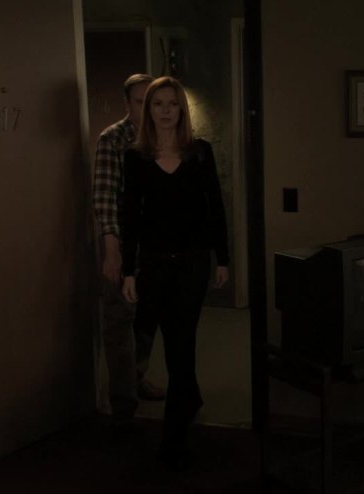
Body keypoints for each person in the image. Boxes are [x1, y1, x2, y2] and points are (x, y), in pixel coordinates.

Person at [120, 76, 229, 469]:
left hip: (192, 262)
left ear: (182, 109)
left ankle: (174, 440)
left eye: (172, 103)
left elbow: (215, 207)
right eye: (157, 104)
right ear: (147, 110)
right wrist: (128, 271)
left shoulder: (200, 153)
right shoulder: (136, 158)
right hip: (153, 263)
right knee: (170, 341)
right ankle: (191, 398)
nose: (165, 111)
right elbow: (130, 216)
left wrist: (223, 258)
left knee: (182, 345)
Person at [92, 73, 166, 427]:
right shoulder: (113, 138)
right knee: (119, 320)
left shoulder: (163, 136)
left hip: (156, 244)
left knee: (147, 316)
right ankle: (123, 404)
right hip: (123, 241)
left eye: (150, 101)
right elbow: (105, 197)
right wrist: (112, 249)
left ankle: (137, 377)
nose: (146, 108)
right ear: (127, 104)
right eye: (139, 101)